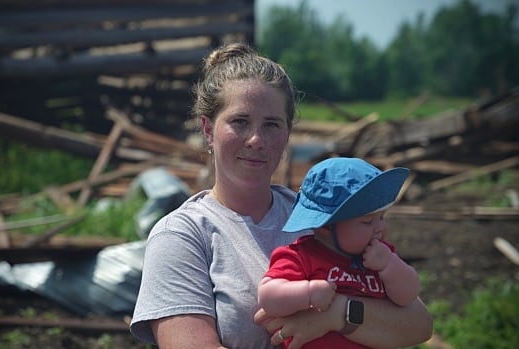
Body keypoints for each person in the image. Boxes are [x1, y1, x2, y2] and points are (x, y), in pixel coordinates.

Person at [129, 42, 432, 349]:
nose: (256, 139)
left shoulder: (324, 217)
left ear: (288, 133)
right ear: (208, 130)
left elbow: (417, 324)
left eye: (272, 124)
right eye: (239, 122)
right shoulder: (182, 236)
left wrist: (337, 313)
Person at [258, 157, 421, 348]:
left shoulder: (382, 256)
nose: (380, 227)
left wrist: (390, 265)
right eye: (368, 221)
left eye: (382, 217)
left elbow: (408, 296)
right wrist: (308, 293)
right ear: (326, 227)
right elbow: (268, 297)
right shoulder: (301, 256)